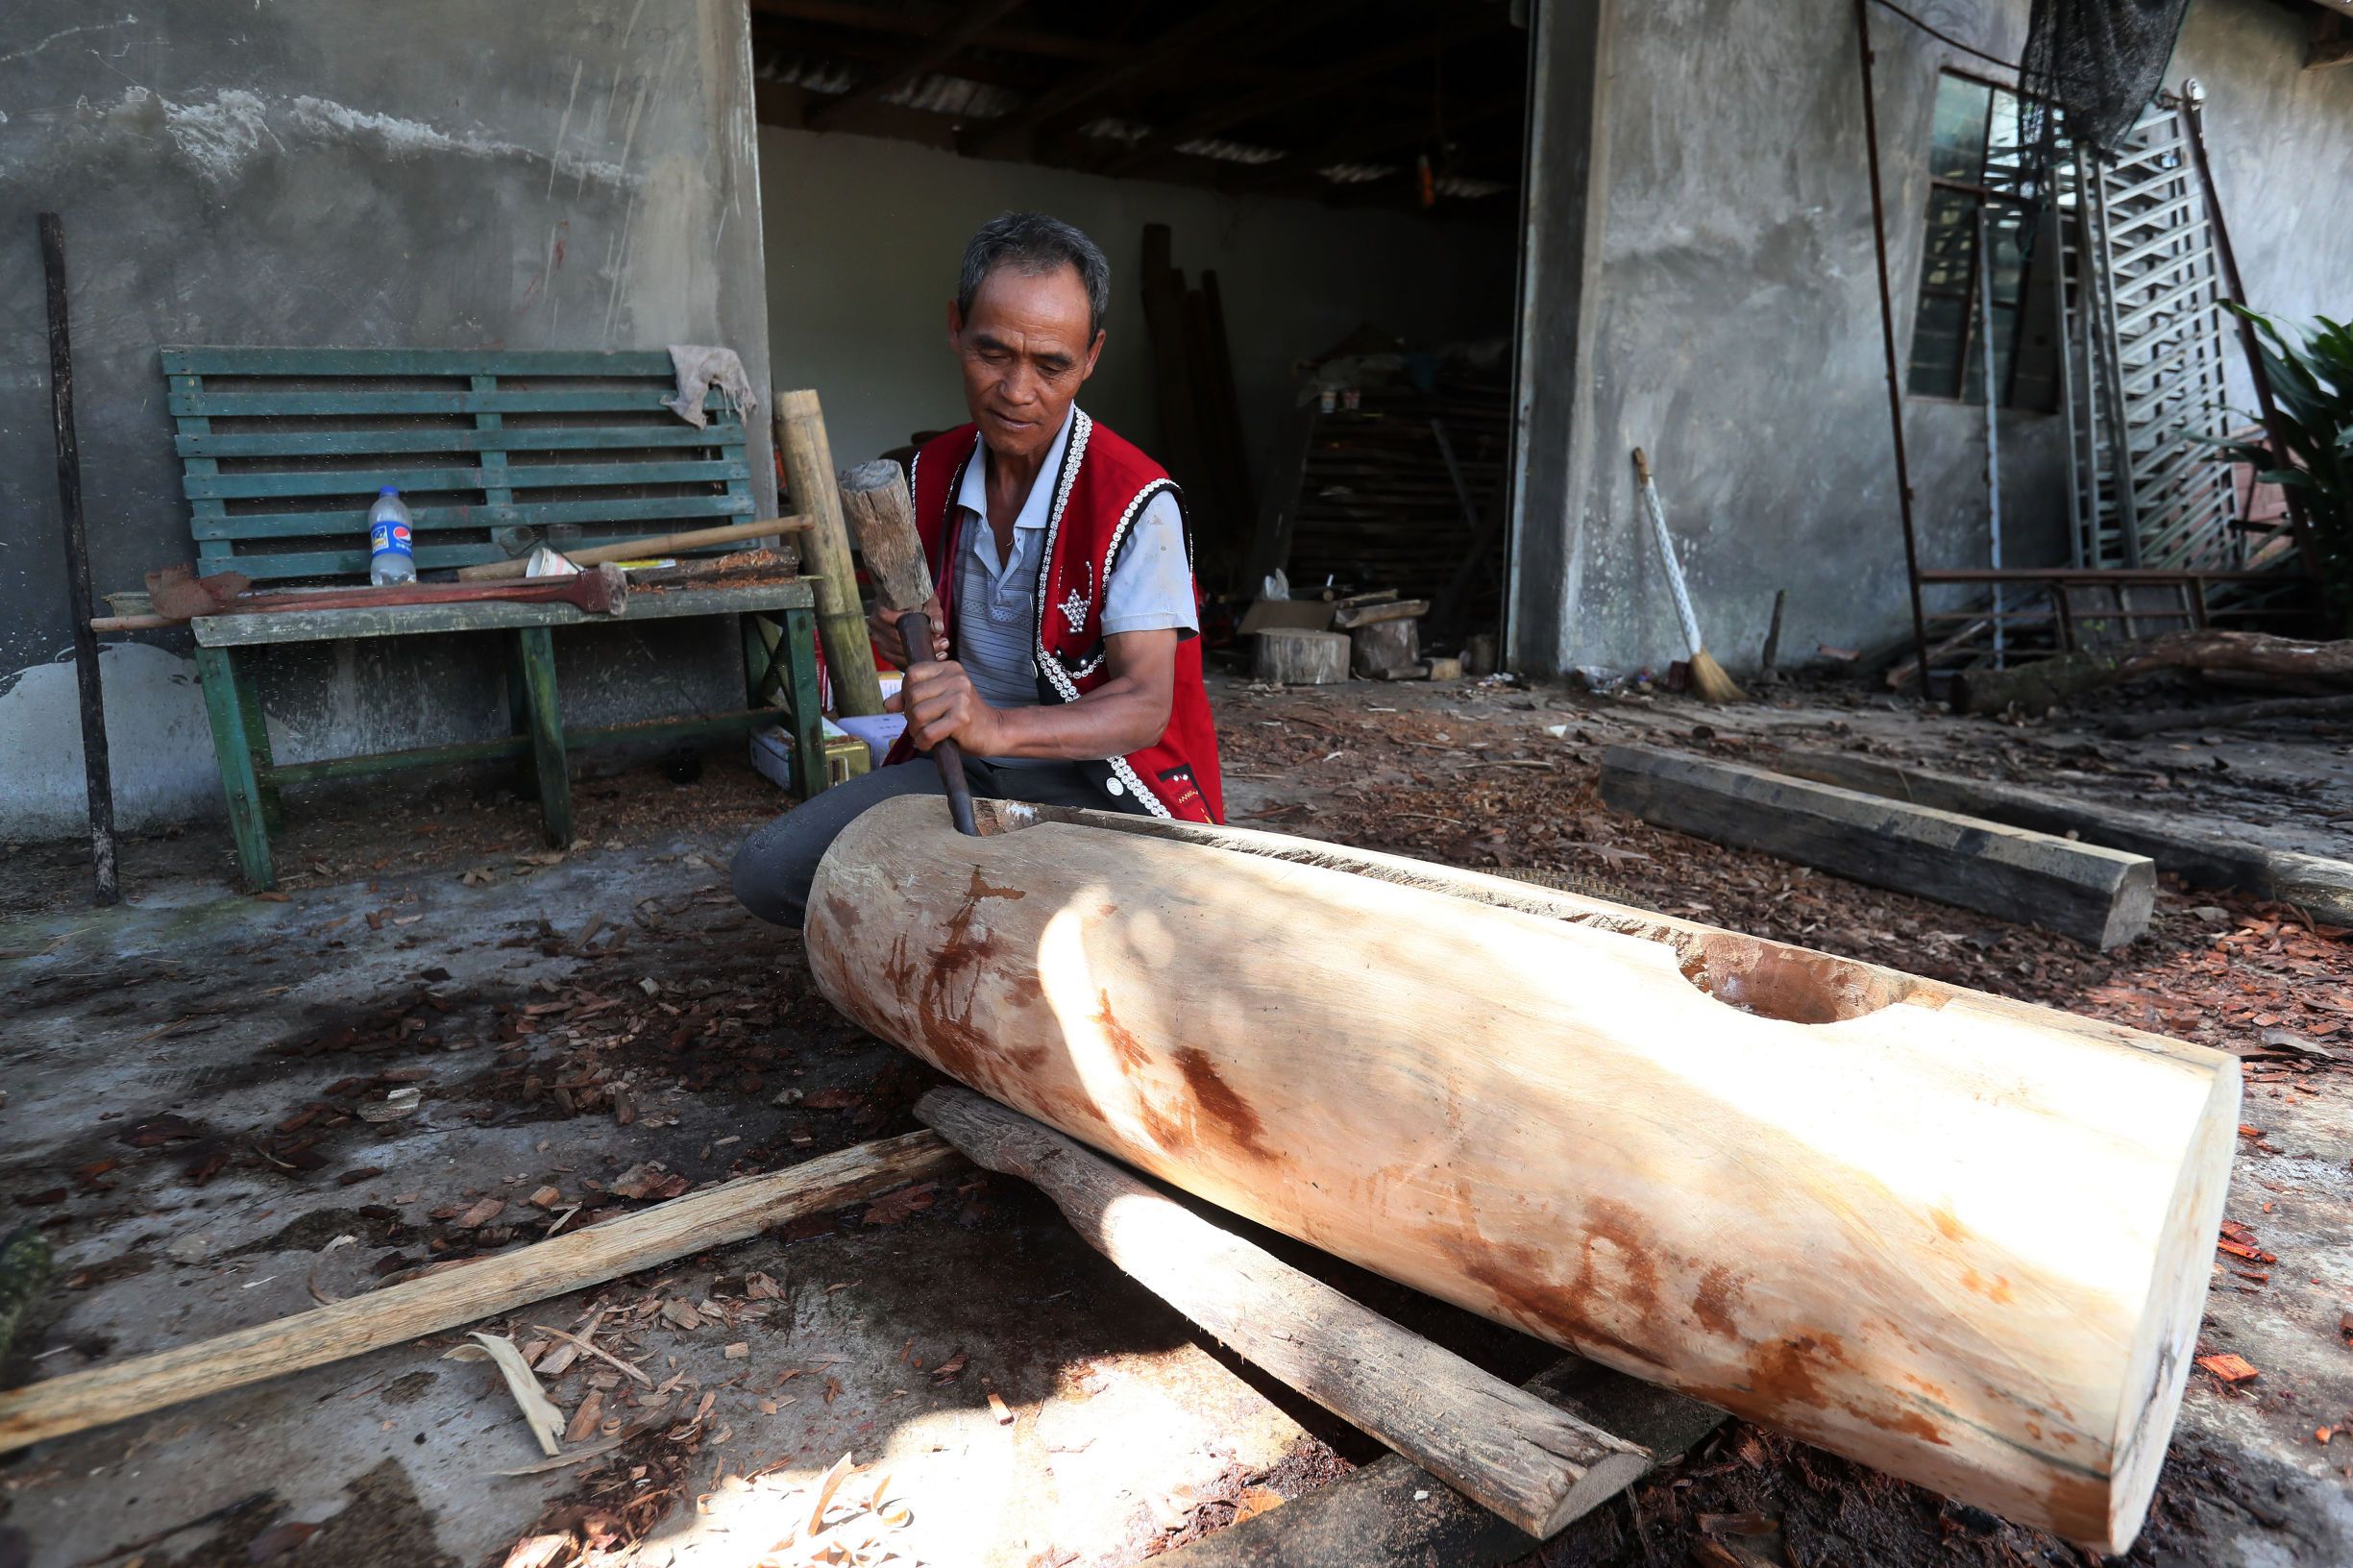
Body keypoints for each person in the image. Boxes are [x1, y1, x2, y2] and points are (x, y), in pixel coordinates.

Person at [733, 211, 1223, 928]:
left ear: (1091, 357)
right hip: (964, 768)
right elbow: (940, 638)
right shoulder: (931, 471)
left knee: (1081, 926)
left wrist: (995, 725)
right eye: (992, 353)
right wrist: (912, 640)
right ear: (956, 327)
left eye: (1051, 365)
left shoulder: (1133, 501)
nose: (1016, 390)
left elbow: (1145, 706)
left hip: (1101, 783)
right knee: (769, 872)